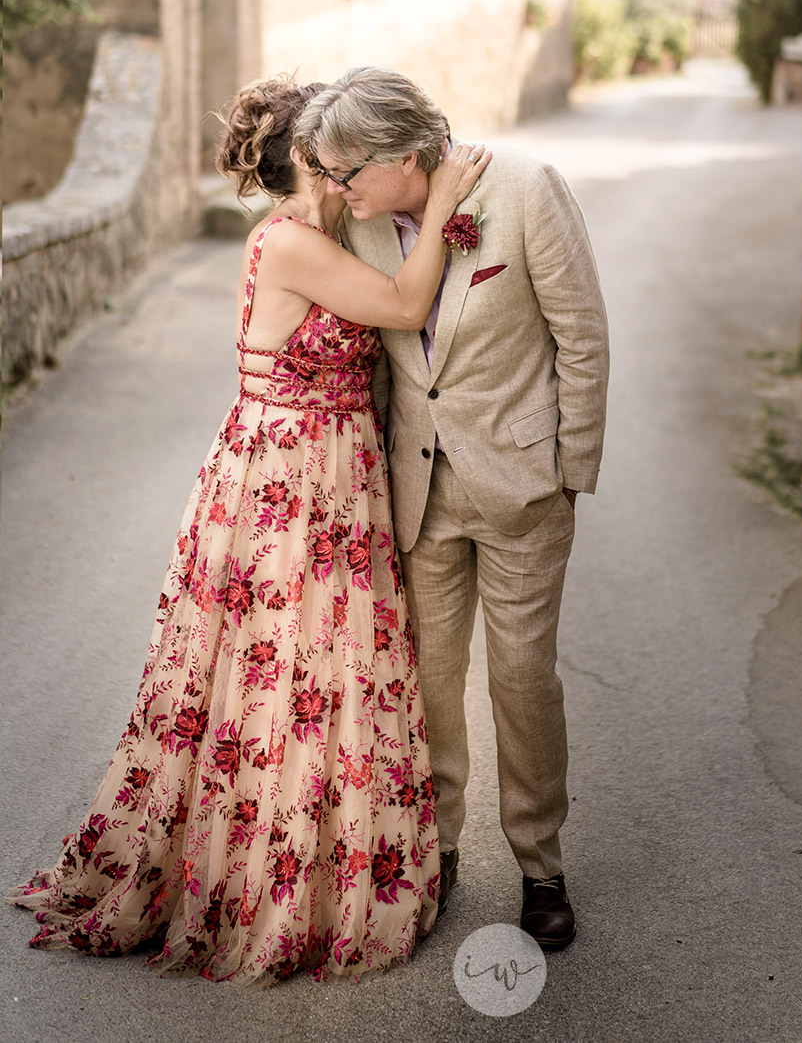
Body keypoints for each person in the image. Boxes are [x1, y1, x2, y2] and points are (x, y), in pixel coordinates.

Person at [8, 76, 490, 986]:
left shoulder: (327, 234)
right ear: (311, 156)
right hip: (294, 477)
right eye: (338, 150)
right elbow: (398, 307)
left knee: (322, 668)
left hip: (327, 468)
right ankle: (269, 881)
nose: (348, 163)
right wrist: (448, 209)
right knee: (287, 670)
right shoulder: (291, 243)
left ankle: (313, 865)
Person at [296, 67, 609, 950]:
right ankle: (434, 853)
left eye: (345, 171)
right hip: (418, 492)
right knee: (428, 682)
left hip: (522, 489)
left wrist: (566, 472)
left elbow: (582, 336)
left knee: (520, 680)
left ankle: (540, 865)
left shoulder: (526, 189)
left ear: (403, 155)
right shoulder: (355, 221)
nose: (334, 187)